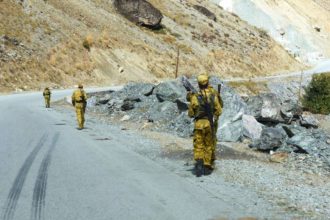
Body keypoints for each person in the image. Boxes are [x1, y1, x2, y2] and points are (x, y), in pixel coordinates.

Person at [188, 74, 222, 177]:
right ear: (208, 83)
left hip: (198, 124)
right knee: (209, 144)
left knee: (198, 144)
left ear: (198, 84)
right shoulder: (213, 95)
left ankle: (199, 163)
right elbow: (219, 110)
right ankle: (207, 165)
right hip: (209, 124)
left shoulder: (195, 97)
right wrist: (214, 117)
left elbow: (190, 114)